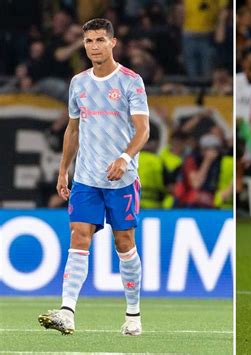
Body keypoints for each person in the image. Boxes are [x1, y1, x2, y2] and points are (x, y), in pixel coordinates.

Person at [38, 18, 150, 336]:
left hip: (121, 179)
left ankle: (133, 315)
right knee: (78, 237)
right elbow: (73, 129)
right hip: (86, 178)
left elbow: (144, 130)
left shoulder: (131, 81)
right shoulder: (79, 83)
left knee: (124, 243)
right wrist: (63, 169)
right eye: (89, 41)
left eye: (100, 40)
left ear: (113, 43)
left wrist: (125, 158)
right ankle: (67, 312)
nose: (94, 46)